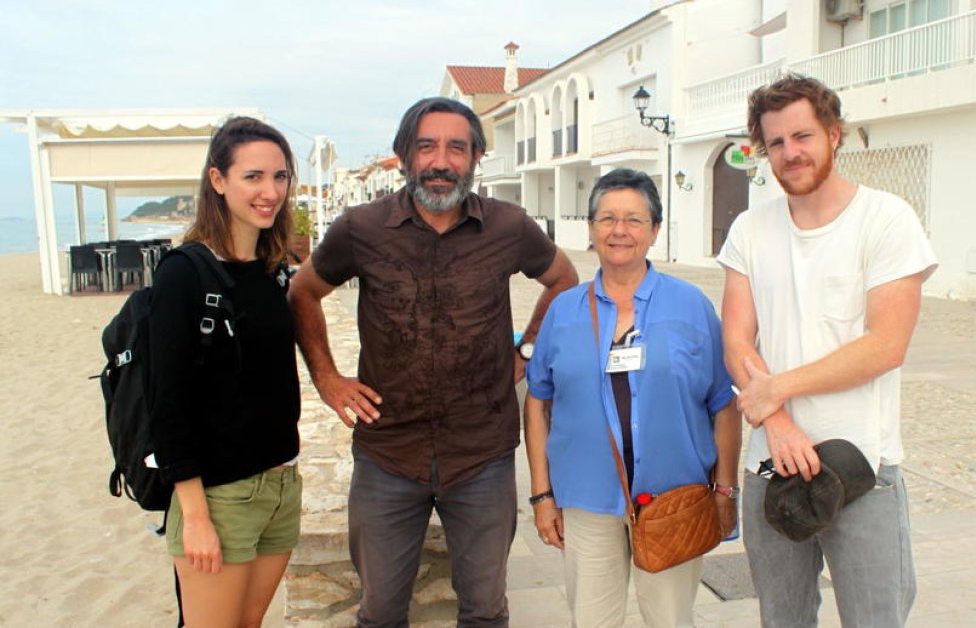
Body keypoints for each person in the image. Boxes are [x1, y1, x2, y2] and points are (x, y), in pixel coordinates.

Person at [288, 97, 578, 627]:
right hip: (387, 453)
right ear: (404, 155)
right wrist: (328, 379)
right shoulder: (360, 228)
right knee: (378, 613)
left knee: (487, 610)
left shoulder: (509, 227)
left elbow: (563, 280)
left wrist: (528, 350)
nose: (441, 161)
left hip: (482, 454)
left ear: (476, 157)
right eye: (426, 146)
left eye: (456, 148)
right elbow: (302, 292)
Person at [718, 75, 937, 627]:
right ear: (763, 151)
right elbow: (737, 340)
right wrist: (780, 423)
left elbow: (886, 346)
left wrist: (776, 391)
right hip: (771, 464)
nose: (790, 153)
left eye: (803, 136)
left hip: (862, 463)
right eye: (775, 143)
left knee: (874, 619)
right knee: (783, 620)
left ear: (834, 135)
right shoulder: (750, 229)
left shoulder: (886, 219)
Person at [524, 169, 741, 627]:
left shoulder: (692, 305)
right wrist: (542, 494)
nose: (619, 230)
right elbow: (538, 401)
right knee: (592, 621)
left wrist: (724, 488)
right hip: (586, 499)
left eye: (634, 220)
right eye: (607, 219)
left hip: (674, 499)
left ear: (654, 231)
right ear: (590, 229)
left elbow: (723, 402)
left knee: (670, 620)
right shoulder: (563, 311)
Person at [150, 116, 303, 628]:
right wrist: (194, 517)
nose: (270, 191)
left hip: (281, 486)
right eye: (253, 177)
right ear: (218, 181)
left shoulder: (271, 268)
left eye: (280, 177)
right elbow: (167, 402)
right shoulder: (184, 273)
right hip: (220, 496)